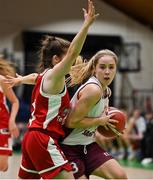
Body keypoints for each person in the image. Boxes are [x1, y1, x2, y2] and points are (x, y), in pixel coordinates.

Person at [5, 0, 99, 179]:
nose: (71, 61)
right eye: (66, 59)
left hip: (31, 138)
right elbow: (72, 53)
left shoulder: (46, 76)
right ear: (56, 60)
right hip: (43, 138)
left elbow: (34, 77)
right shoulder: (55, 76)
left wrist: (20, 79)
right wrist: (86, 26)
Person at [61, 49, 127, 179]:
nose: (107, 71)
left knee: (120, 176)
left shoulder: (106, 91)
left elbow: (97, 119)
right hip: (68, 147)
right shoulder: (93, 90)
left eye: (111, 67)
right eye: (102, 67)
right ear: (94, 69)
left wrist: (112, 126)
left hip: (88, 145)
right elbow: (71, 122)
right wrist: (100, 121)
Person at [0, 58, 19, 172]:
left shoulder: (1, 80)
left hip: (2, 124)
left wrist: (12, 121)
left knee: (2, 166)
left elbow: (15, 101)